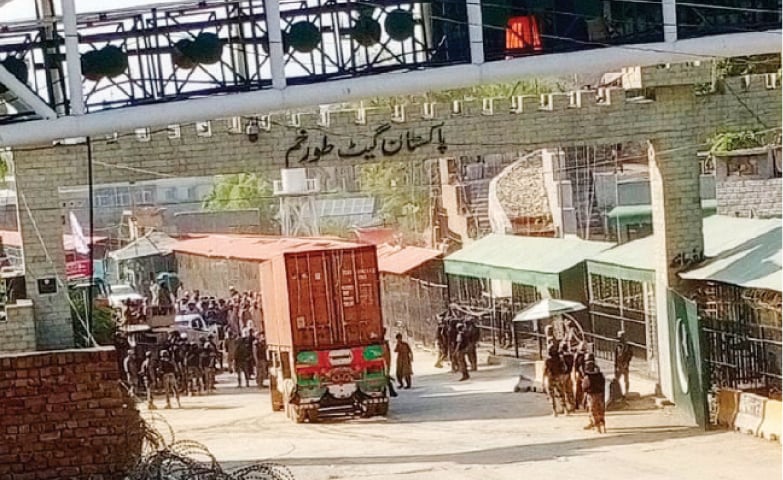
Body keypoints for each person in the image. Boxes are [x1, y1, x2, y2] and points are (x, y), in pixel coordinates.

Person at [543, 345, 570, 416]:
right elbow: (564, 368)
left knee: (551, 395)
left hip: (550, 378)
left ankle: (554, 411)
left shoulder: (547, 360)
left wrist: (543, 380)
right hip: (558, 377)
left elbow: (545, 370)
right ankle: (565, 409)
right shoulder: (559, 359)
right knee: (561, 393)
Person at [582, 356, 606, 433]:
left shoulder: (587, 376)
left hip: (591, 394)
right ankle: (603, 425)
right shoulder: (600, 375)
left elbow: (584, 387)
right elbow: (603, 383)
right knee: (600, 410)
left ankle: (597, 426)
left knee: (593, 410)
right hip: (600, 393)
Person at [614, 330, 632, 397]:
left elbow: (629, 355)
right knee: (616, 379)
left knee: (626, 379)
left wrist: (626, 363)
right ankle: (617, 392)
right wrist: (616, 366)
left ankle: (626, 392)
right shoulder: (617, 346)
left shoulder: (628, 346)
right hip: (619, 365)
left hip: (625, 364)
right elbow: (615, 357)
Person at [381, 328, 397, 397]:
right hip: (383, 363)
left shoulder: (384, 343)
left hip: (384, 363)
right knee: (385, 378)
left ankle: (388, 392)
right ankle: (390, 392)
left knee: (385, 378)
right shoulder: (383, 343)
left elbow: (387, 354)